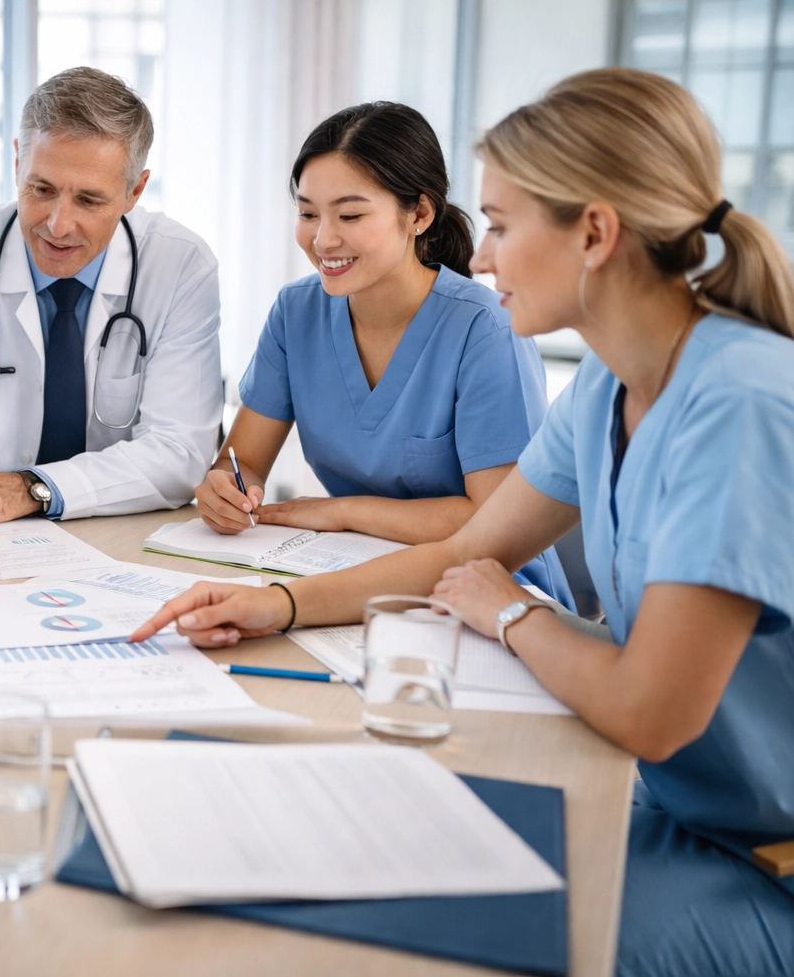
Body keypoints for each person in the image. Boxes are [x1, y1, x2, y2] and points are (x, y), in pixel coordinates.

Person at [133, 68, 794, 976]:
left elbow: (649, 711)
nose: (480, 256)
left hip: (764, 863)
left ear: (594, 233)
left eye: (504, 224)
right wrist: (280, 607)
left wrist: (515, 614)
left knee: (437, 935)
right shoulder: (607, 381)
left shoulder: (739, 403)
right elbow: (468, 551)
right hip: (671, 807)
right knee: (361, 849)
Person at [198, 102, 570, 606]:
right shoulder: (296, 312)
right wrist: (224, 489)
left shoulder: (485, 327)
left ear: (418, 213)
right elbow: (242, 463)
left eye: (350, 214)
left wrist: (342, 511)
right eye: (308, 213)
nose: (323, 238)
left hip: (494, 590)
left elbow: (494, 519)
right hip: (357, 570)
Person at [0, 67, 221, 543]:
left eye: (89, 200)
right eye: (41, 189)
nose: (58, 225)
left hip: (119, 538)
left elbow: (179, 449)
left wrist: (30, 489)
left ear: (134, 192)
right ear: (18, 161)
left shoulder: (181, 265)